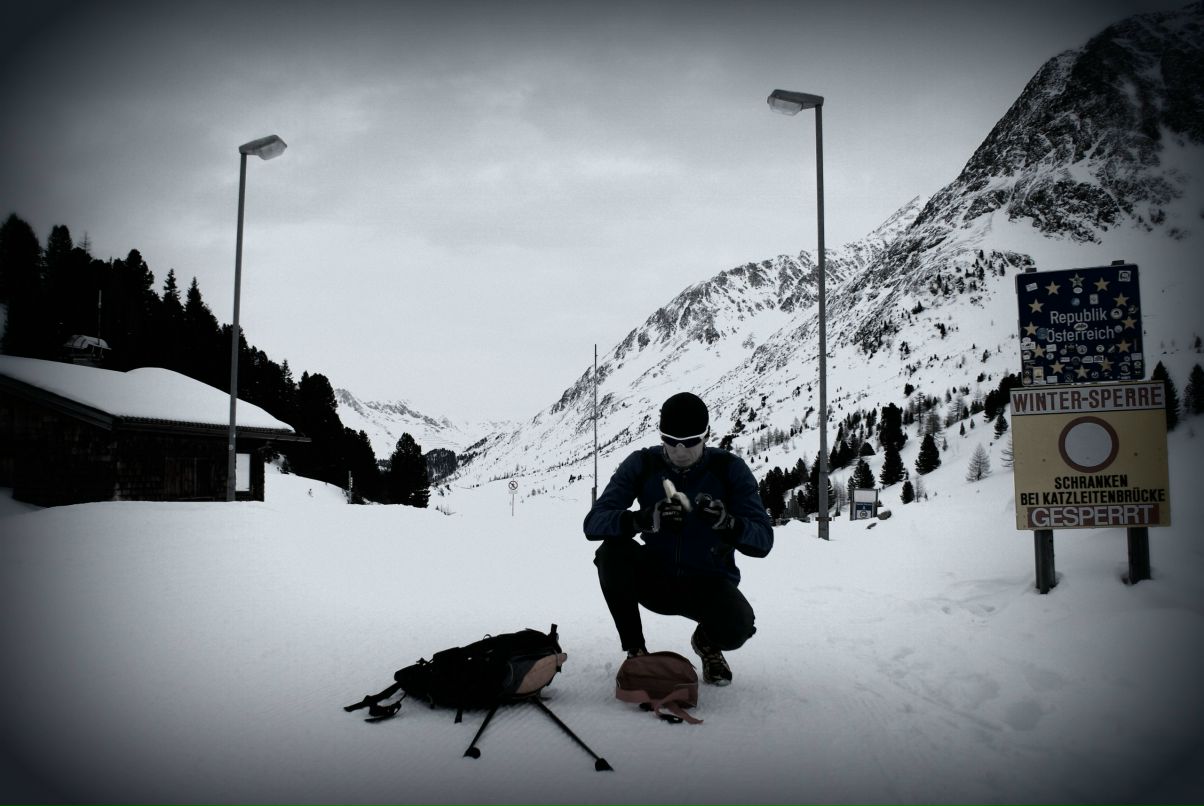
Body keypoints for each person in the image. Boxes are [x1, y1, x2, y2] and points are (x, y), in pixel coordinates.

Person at [583, 392, 774, 685]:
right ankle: (636, 651)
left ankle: (707, 642)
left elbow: (763, 540)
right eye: (670, 442)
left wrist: (728, 524)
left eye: (690, 442)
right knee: (611, 553)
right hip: (655, 579)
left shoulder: (728, 469)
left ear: (706, 435)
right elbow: (593, 523)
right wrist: (641, 519)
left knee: (738, 626)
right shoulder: (643, 464)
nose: (680, 452)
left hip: (708, 584)